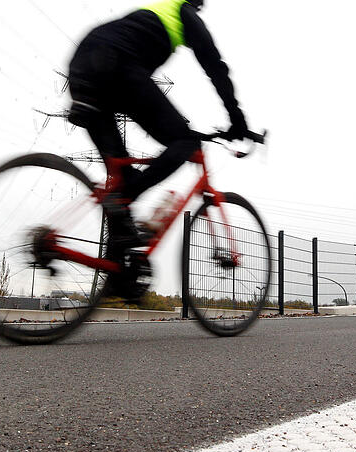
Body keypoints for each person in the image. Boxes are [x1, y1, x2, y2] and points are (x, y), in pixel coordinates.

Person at [66, 0, 250, 296]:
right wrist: (237, 119)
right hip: (117, 63)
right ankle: (127, 196)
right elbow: (215, 67)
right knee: (185, 142)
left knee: (120, 186)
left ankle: (117, 272)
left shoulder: (153, 13)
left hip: (84, 65)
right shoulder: (182, 12)